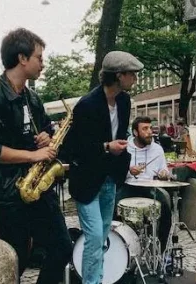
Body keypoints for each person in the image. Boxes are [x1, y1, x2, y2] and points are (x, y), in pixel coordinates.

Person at [0, 28, 72, 284]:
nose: (42, 64)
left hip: (35, 187)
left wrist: (46, 135)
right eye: (39, 58)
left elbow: (45, 128)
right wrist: (33, 156)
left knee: (61, 247)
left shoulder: (32, 98)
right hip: (6, 195)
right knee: (16, 258)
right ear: (22, 58)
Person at [63, 50, 143, 284]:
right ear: (119, 75)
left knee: (103, 234)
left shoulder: (124, 101)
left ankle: (97, 279)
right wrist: (107, 147)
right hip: (87, 181)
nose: (135, 79)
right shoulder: (86, 105)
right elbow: (72, 147)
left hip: (110, 177)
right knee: (95, 236)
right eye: (132, 74)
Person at [116, 116, 172, 251]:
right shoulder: (125, 148)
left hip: (150, 187)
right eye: (145, 129)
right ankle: (119, 247)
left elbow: (163, 169)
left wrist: (164, 173)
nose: (149, 132)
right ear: (135, 132)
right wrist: (128, 170)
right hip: (128, 185)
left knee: (165, 207)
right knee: (114, 206)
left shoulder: (157, 149)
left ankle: (162, 250)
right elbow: (116, 172)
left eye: (150, 128)